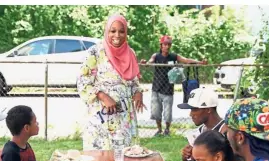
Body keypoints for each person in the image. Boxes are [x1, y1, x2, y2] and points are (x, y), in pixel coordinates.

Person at [77, 14, 145, 150]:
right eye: (113, 31)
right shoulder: (95, 52)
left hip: (124, 117)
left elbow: (133, 80)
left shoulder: (130, 53)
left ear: (126, 32)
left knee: (123, 157)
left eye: (121, 31)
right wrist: (102, 96)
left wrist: (138, 92)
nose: (117, 35)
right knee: (100, 160)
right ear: (106, 31)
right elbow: (82, 81)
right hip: (101, 115)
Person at [140, 36, 207, 136]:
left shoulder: (173, 56)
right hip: (156, 88)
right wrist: (145, 63)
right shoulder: (156, 56)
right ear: (161, 45)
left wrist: (200, 62)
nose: (166, 47)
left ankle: (167, 130)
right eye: (165, 44)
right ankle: (159, 130)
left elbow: (186, 60)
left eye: (168, 45)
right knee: (156, 111)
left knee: (167, 113)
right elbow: (150, 62)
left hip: (168, 89)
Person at [174, 88, 228, 161]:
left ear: (208, 109)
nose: (190, 114)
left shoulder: (225, 132)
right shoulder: (199, 131)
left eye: (194, 109)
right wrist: (186, 158)